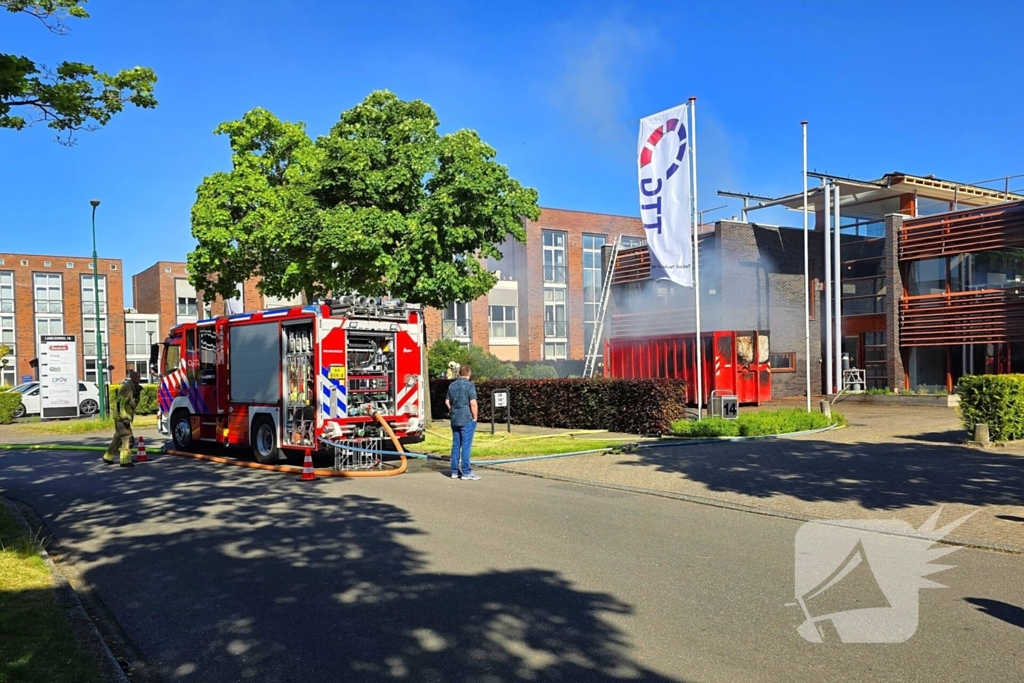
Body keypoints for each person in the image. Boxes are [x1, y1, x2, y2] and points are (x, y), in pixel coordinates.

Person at [446, 364, 479, 480]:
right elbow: (473, 403)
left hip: (455, 418)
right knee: (466, 446)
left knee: (456, 445)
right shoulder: (470, 386)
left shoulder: (452, 385)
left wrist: (452, 410)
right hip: (466, 418)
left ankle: (454, 471)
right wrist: (475, 417)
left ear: (460, 373)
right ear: (469, 373)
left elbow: (447, 401)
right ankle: (466, 472)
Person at [103, 370, 143, 468]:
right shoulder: (127, 388)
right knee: (127, 438)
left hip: (120, 417)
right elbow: (120, 403)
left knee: (118, 437)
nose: (139, 378)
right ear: (132, 377)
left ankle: (108, 457)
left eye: (139, 376)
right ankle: (125, 461)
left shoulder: (134, 387)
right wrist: (124, 417)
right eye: (137, 377)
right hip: (121, 417)